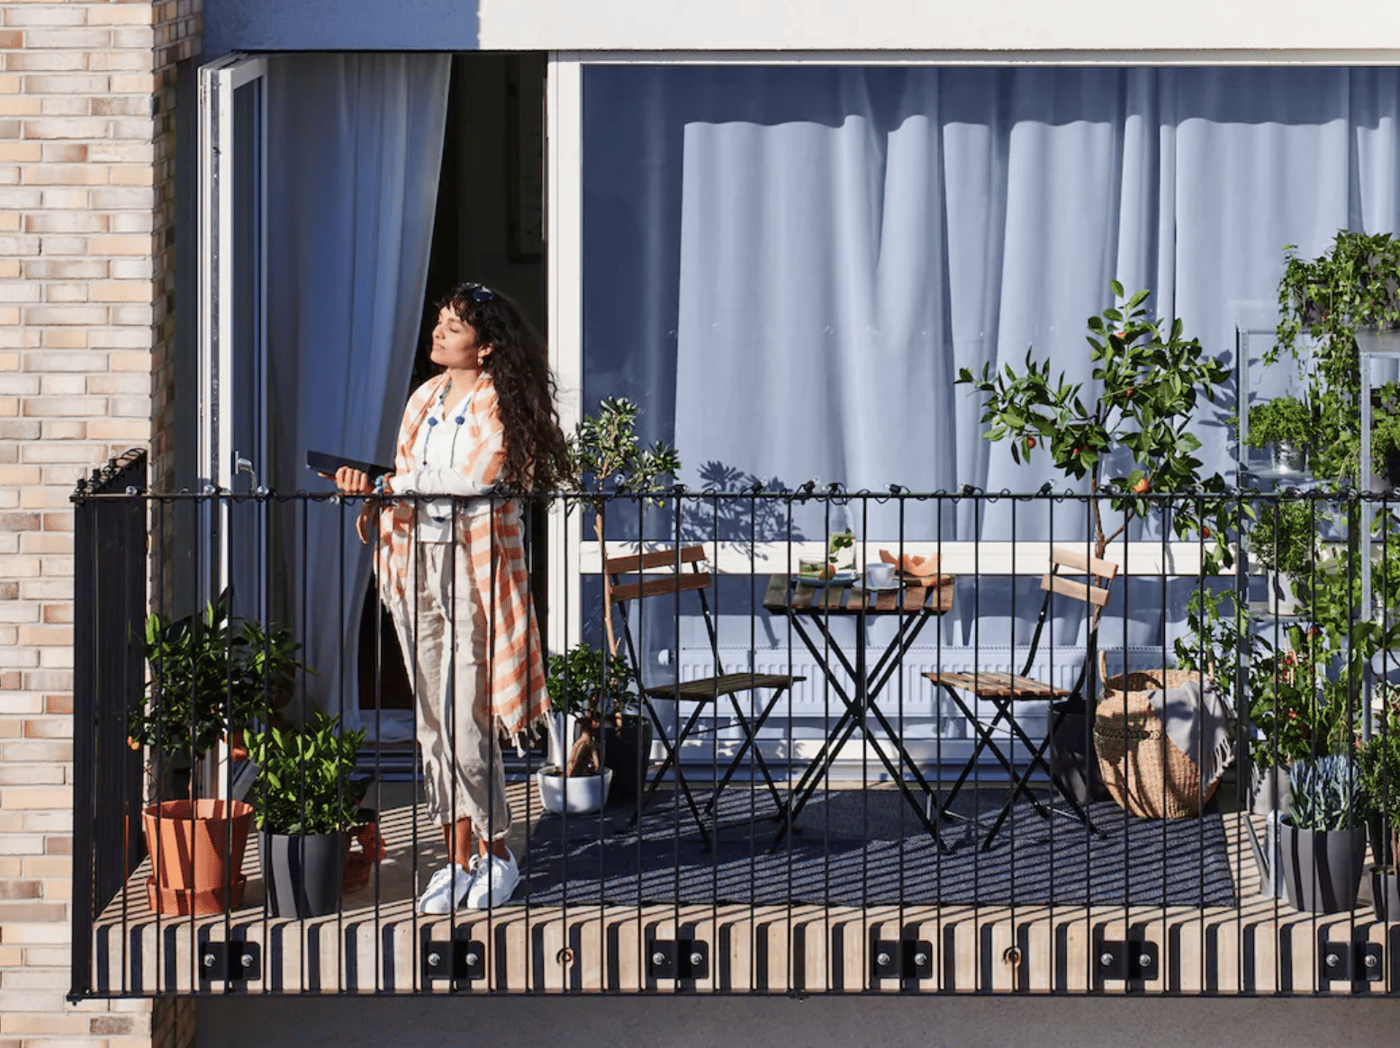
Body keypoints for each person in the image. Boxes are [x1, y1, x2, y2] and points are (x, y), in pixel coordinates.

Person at [332, 282, 565, 913]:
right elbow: (407, 477)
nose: (438, 332)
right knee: (431, 722)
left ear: (485, 347)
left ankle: (496, 852)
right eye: (439, 321)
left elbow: (476, 479)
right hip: (413, 566)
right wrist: (372, 487)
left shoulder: (500, 404)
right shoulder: (423, 400)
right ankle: (454, 858)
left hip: (472, 569)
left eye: (454, 326)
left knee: (466, 719)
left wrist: (395, 482)